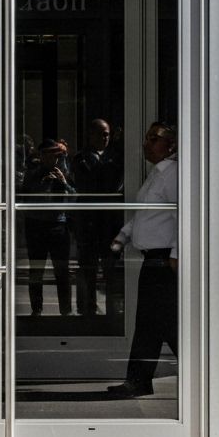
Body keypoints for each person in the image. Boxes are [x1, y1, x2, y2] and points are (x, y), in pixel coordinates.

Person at [106, 123, 178, 396]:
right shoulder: (157, 174)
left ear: (170, 144)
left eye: (154, 139)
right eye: (147, 138)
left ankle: (205, 375)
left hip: (164, 261)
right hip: (154, 260)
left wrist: (176, 254)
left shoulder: (171, 175)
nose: (147, 144)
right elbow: (146, 214)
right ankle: (138, 380)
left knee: (164, 324)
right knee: (150, 323)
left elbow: (183, 215)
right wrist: (123, 237)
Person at [71, 119, 124, 316]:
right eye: (101, 134)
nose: (105, 138)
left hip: (109, 223)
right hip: (89, 222)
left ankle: (113, 308)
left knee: (111, 268)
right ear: (90, 135)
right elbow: (89, 181)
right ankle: (87, 308)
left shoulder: (116, 157)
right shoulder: (81, 158)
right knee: (88, 268)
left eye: (107, 134)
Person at [21, 138, 76, 316]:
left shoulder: (63, 171)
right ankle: (36, 309)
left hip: (58, 226)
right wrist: (40, 177)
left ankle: (65, 311)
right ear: (42, 156)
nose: (54, 160)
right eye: (50, 156)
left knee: (62, 271)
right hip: (36, 226)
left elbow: (75, 197)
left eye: (57, 156)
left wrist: (63, 182)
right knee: (36, 270)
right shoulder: (32, 172)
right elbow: (26, 196)